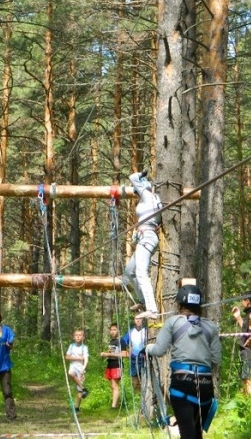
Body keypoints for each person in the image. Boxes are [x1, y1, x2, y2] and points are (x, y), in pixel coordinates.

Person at [146, 285, 222, 439]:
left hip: (182, 383)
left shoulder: (173, 322)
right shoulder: (211, 326)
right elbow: (215, 359)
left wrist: (147, 348)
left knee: (187, 433)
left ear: (179, 304)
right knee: (196, 433)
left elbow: (160, 350)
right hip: (205, 384)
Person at [122, 170, 162, 319]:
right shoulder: (154, 200)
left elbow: (132, 177)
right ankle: (143, 301)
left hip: (147, 237)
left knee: (140, 272)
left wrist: (141, 174)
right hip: (146, 236)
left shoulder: (148, 195)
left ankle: (152, 310)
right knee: (129, 271)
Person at [100, 323, 127, 408]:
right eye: (111, 330)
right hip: (110, 365)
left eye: (115, 329)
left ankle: (114, 406)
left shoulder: (121, 341)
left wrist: (108, 354)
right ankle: (116, 404)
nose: (113, 332)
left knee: (115, 385)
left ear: (118, 330)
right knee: (112, 385)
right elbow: (111, 352)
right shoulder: (111, 341)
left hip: (117, 365)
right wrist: (105, 354)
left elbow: (124, 354)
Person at [65, 329, 89, 412]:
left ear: (83, 337)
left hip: (80, 368)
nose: (78, 336)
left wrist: (83, 368)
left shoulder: (84, 347)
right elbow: (67, 357)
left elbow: (86, 358)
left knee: (79, 390)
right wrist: (78, 358)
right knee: (70, 373)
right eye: (76, 335)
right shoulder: (71, 346)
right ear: (73, 337)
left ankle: (77, 408)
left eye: (80, 335)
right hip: (73, 366)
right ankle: (84, 388)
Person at [122, 315, 147, 390]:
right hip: (133, 359)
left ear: (143, 319)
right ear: (134, 320)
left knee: (144, 380)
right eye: (136, 319)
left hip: (144, 359)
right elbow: (123, 341)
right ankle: (137, 396)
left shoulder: (146, 331)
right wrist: (126, 352)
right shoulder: (131, 331)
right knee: (135, 381)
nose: (138, 320)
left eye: (140, 318)